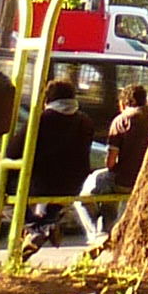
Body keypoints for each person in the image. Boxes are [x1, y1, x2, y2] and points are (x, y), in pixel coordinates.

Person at [22, 81, 97, 250]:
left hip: (42, 183)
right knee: (57, 196)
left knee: (4, 189)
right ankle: (48, 223)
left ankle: (36, 228)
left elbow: (14, 151)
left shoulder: (41, 120)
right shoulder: (85, 121)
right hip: (74, 184)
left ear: (47, 98)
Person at [78, 85, 148, 241]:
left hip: (124, 179)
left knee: (85, 196)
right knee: (108, 197)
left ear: (124, 103)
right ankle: (108, 231)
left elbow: (111, 162)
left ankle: (96, 234)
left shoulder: (122, 120)